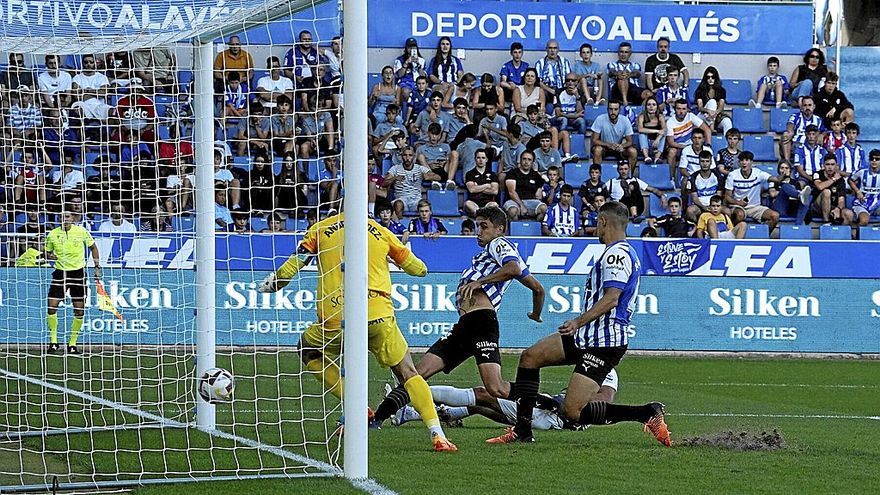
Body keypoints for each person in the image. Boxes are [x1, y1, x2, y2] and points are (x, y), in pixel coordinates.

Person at [258, 212, 458, 452]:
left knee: (306, 348)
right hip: (378, 316)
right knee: (408, 372)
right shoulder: (381, 232)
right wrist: (398, 256)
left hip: (336, 319)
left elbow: (296, 262)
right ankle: (438, 435)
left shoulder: (321, 229)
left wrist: (275, 283)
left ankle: (356, 404)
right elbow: (418, 270)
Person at [487, 201, 670, 445]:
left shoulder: (617, 254)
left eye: (597, 222)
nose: (595, 228)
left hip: (603, 342)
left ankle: (646, 413)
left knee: (572, 412)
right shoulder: (622, 253)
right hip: (587, 336)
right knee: (530, 357)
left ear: (604, 222)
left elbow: (612, 298)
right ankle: (522, 430)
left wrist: (577, 321)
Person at [371, 205, 545, 428]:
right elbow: (538, 289)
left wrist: (479, 282)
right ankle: (378, 418)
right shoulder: (491, 253)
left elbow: (512, 268)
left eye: (484, 226)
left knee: (496, 389)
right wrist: (535, 313)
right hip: (465, 326)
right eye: (476, 226)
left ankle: (551, 403)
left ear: (500, 229)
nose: (478, 231)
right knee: (416, 374)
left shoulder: (499, 244)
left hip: (481, 323)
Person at [393, 369, 620, 431]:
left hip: (551, 416)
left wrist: (562, 403)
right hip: (548, 418)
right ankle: (411, 414)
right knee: (479, 406)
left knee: (485, 393)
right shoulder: (590, 361)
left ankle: (410, 391)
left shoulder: (606, 369)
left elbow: (606, 401)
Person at [45, 210, 101, 355]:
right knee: (51, 306)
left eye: (68, 216)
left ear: (73, 218)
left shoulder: (81, 232)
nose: (65, 219)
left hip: (78, 273)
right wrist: (51, 255)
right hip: (60, 273)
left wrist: (96, 267)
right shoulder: (52, 234)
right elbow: (48, 253)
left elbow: (93, 247)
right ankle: (53, 343)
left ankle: (72, 344)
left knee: (79, 310)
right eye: (62, 217)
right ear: (59, 219)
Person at [724, 151, 780, 232]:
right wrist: (738, 202)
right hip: (738, 206)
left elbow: (775, 179)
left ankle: (763, 235)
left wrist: (783, 175)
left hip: (755, 207)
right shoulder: (732, 175)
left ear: (751, 162)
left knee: (775, 216)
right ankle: (734, 235)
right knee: (739, 215)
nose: (744, 163)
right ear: (739, 162)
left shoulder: (758, 173)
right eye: (742, 160)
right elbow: (727, 197)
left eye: (747, 160)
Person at [384, 146, 441, 219]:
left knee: (425, 205)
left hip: (416, 200)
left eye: (410, 155)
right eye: (405, 155)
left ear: (414, 156)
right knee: (398, 204)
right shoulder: (395, 168)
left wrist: (429, 177)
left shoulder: (419, 168)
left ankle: (424, 227)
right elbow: (384, 183)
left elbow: (438, 177)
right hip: (401, 199)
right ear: (402, 156)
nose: (407, 158)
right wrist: (394, 178)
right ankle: (400, 227)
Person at [666, 99, 712, 185]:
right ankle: (671, 179)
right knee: (672, 151)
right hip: (678, 147)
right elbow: (671, 142)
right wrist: (686, 147)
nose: (681, 111)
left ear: (687, 109)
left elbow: (707, 130)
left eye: (684, 109)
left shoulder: (691, 116)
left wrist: (708, 145)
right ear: (675, 109)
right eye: (679, 109)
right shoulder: (670, 122)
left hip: (692, 145)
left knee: (701, 148)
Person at [590, 100, 637, 173]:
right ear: (607, 109)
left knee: (633, 151)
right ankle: (597, 177)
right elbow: (594, 140)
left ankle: (629, 177)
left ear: (619, 110)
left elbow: (630, 141)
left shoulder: (625, 120)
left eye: (615, 109)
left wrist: (622, 146)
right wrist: (608, 145)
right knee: (597, 150)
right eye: (610, 109)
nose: (613, 112)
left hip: (619, 148)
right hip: (604, 148)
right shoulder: (600, 119)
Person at [809, 154, 853, 225]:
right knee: (827, 192)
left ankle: (840, 232)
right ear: (823, 165)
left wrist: (838, 208)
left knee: (849, 214)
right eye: (827, 164)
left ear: (836, 166)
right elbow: (820, 186)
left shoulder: (840, 180)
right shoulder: (817, 174)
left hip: (833, 207)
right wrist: (834, 179)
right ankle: (826, 222)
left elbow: (841, 200)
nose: (830, 167)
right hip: (817, 206)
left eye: (832, 164)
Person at [503, 150, 547, 221]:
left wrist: (539, 190)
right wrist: (521, 205)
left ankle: (534, 229)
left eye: (529, 160)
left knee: (544, 208)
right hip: (513, 201)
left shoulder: (536, 175)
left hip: (531, 201)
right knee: (513, 211)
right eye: (524, 159)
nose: (526, 162)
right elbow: (512, 192)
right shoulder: (512, 173)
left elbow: (540, 188)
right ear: (520, 160)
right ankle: (515, 231)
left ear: (532, 162)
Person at [782, 95, 825, 162]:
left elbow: (824, 131)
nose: (807, 107)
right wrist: (790, 132)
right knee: (785, 135)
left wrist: (822, 135)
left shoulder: (818, 119)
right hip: (797, 144)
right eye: (805, 105)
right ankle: (787, 162)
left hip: (812, 144)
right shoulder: (795, 116)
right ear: (801, 107)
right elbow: (790, 124)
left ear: (814, 107)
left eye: (809, 105)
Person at [687, 151, 726, 222]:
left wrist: (713, 207)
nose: (705, 164)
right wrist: (703, 207)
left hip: (714, 205)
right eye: (702, 161)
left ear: (711, 162)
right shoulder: (693, 177)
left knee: (728, 211)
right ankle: (698, 227)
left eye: (707, 161)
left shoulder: (718, 176)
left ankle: (727, 229)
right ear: (699, 162)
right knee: (690, 211)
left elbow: (718, 195)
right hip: (700, 206)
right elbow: (695, 198)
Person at [693, 66, 733, 138]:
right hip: (703, 116)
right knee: (712, 102)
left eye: (713, 77)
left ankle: (727, 145)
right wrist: (709, 111)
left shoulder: (721, 90)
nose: (710, 79)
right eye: (708, 77)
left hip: (715, 116)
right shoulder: (700, 90)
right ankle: (712, 128)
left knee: (727, 121)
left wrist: (715, 113)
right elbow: (700, 108)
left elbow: (721, 107)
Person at [606, 42, 648, 106]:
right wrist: (618, 73)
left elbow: (637, 73)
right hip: (617, 92)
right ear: (618, 53)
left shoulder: (635, 65)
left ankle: (641, 110)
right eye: (621, 52)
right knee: (622, 79)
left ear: (630, 54)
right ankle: (625, 103)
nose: (623, 54)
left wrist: (629, 74)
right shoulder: (612, 64)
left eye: (626, 52)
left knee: (648, 94)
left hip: (633, 90)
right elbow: (611, 72)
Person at [463, 148, 500, 217]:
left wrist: (478, 187)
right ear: (475, 159)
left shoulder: (492, 175)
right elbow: (472, 190)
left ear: (486, 160)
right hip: (473, 203)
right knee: (467, 203)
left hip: (488, 203)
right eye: (478, 158)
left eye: (483, 158)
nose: (480, 160)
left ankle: (480, 215)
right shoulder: (469, 174)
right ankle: (482, 215)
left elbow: (494, 191)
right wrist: (487, 185)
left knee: (494, 204)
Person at [850, 149, 880, 227]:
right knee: (864, 220)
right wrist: (857, 191)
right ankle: (856, 236)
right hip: (862, 203)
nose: (874, 161)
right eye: (871, 159)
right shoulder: (862, 171)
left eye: (877, 159)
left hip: (877, 204)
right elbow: (850, 180)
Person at [637, 96, 666, 165]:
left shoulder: (660, 116)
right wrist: (656, 131)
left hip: (657, 144)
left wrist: (658, 139)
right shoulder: (642, 116)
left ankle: (657, 158)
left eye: (654, 105)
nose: (651, 107)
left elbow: (664, 130)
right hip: (646, 144)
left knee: (663, 135)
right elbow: (640, 129)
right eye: (649, 104)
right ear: (646, 106)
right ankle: (646, 157)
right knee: (642, 134)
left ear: (657, 106)